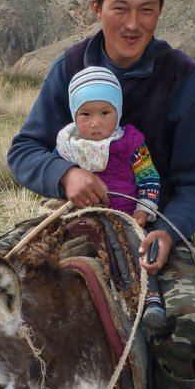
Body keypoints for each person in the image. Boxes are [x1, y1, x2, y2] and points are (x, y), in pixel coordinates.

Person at [7, 0, 195, 389]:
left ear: (159, 14)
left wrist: (168, 231)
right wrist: (66, 176)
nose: (133, 23)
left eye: (147, 10)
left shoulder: (181, 76)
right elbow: (25, 149)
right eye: (120, 8)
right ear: (96, 7)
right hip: (69, 215)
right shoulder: (69, 67)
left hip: (150, 220)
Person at [55, 64, 166, 329]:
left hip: (125, 216)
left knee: (138, 250)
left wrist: (144, 209)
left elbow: (148, 177)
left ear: (117, 111)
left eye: (105, 112)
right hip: (78, 214)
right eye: (85, 114)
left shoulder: (130, 142)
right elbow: (55, 170)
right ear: (74, 114)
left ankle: (150, 298)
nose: (95, 122)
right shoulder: (68, 144)